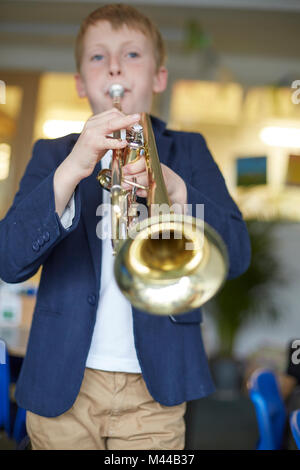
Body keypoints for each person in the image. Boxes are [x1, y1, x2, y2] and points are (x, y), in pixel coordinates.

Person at [0, 4, 251, 450]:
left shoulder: (190, 150)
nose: (114, 64)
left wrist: (177, 193)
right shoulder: (52, 153)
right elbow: (9, 259)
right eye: (98, 56)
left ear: (159, 78)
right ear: (80, 82)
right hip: (63, 382)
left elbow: (237, 254)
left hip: (156, 387)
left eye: (132, 54)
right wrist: (73, 167)